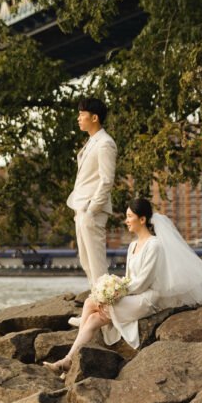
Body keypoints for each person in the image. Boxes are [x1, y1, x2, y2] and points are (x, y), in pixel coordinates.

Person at [44, 197, 202, 374]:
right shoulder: (132, 246)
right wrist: (115, 288)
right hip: (131, 294)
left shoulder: (154, 245)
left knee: (91, 303)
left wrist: (115, 292)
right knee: (92, 319)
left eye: (130, 216)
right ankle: (67, 362)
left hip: (146, 298)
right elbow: (129, 278)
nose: (126, 220)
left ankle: (67, 360)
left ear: (142, 219)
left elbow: (143, 283)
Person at [67, 96, 116, 290]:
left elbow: (107, 180)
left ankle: (105, 303)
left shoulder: (105, 143)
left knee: (96, 263)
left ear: (94, 118)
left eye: (82, 114)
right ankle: (96, 300)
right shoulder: (92, 142)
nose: (78, 118)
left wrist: (91, 209)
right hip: (82, 208)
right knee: (86, 261)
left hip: (91, 210)